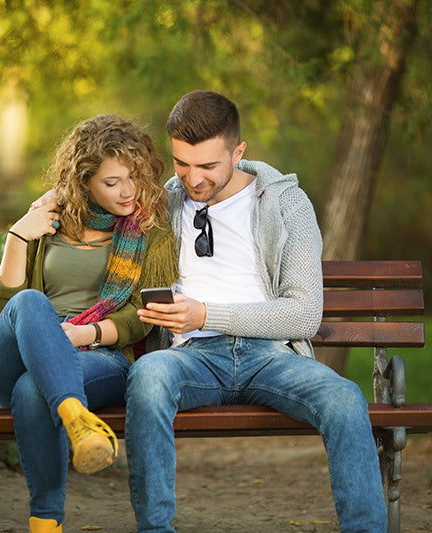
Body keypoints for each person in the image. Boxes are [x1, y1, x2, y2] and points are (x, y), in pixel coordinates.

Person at [128, 90, 387, 532]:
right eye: (182, 163)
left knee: (344, 398)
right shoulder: (162, 203)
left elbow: (305, 315)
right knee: (147, 378)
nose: (193, 179)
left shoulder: (286, 203)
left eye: (208, 166)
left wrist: (206, 315)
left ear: (239, 150)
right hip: (191, 357)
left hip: (271, 357)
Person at [0, 114, 178, 533]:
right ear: (84, 181)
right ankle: (75, 415)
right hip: (19, 351)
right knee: (31, 302)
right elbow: (6, 310)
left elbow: (140, 317)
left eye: (133, 176)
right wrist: (18, 237)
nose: (128, 191)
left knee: (34, 389)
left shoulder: (150, 232)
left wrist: (84, 333)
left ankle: (45, 521)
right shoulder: (46, 219)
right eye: (112, 182)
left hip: (100, 355)